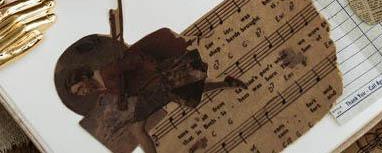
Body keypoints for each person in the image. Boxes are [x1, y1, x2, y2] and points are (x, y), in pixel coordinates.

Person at [56, 29, 245, 153]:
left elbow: (136, 60)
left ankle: (226, 83)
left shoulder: (107, 73)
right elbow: (124, 87)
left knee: (138, 129)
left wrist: (155, 70)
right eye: (78, 93)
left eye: (80, 88)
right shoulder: (103, 85)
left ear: (84, 77)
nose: (83, 92)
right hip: (150, 91)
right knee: (190, 89)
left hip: (158, 83)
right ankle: (226, 83)